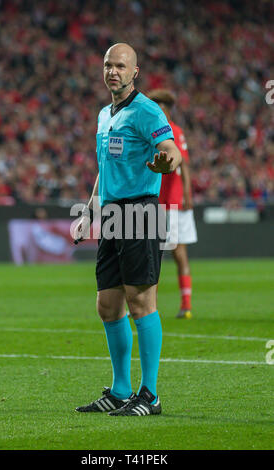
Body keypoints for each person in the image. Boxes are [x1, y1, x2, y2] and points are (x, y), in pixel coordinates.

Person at [73, 43, 181, 416]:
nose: (112, 71)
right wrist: (89, 210)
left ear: (135, 71)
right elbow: (105, 167)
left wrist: (166, 163)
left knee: (141, 303)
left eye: (120, 65)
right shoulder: (105, 115)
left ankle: (149, 395)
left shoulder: (148, 111)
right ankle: (120, 390)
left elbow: (171, 150)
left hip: (141, 211)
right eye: (107, 65)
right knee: (107, 305)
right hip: (112, 216)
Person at [147, 89, 197, 319]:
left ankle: (186, 305)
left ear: (165, 109)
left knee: (177, 252)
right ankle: (148, 306)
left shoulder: (175, 131)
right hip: (155, 201)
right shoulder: (151, 130)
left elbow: (184, 164)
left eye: (158, 107)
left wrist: (187, 193)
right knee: (151, 255)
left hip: (173, 202)